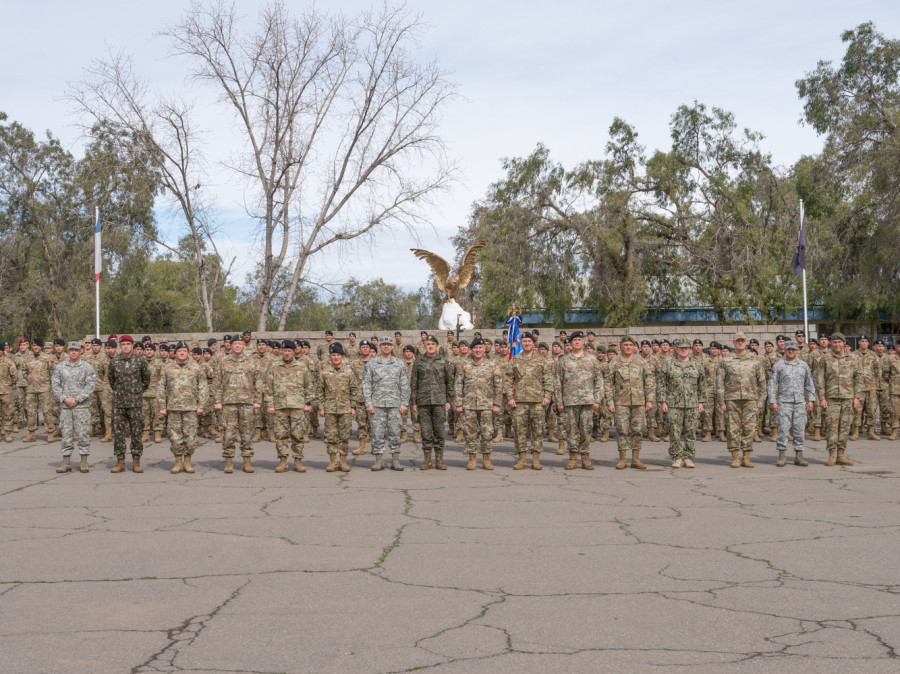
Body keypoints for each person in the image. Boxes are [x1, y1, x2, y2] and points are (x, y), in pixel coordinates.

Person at [213, 336, 262, 473]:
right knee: (228, 434)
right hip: (229, 403)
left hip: (247, 402)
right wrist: (217, 401)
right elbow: (217, 383)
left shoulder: (252, 362)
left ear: (243, 346)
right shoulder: (223, 362)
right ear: (231, 345)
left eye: (240, 344)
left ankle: (247, 461)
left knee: (246, 434)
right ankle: (229, 461)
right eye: (235, 344)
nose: (237, 346)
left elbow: (258, 382)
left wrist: (257, 400)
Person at [716, 332, 766, 468]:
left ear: (746, 342)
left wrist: (761, 399)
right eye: (737, 341)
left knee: (749, 429)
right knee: (732, 429)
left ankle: (746, 457)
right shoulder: (726, 360)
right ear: (733, 343)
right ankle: (735, 458)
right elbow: (719, 383)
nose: (740, 343)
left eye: (742, 341)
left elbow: (761, 381)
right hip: (732, 399)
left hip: (750, 399)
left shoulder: (754, 360)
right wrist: (721, 401)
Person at [158, 342, 208, 474]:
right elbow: (161, 387)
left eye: (184, 351)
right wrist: (162, 406)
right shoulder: (167, 368)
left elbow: (203, 387)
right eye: (179, 350)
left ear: (188, 353)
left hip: (190, 408)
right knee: (175, 436)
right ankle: (178, 462)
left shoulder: (196, 368)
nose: (181, 353)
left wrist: (201, 405)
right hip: (173, 408)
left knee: (190, 436)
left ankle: (188, 462)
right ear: (175, 352)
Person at [505, 332, 552, 470]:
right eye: (524, 341)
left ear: (533, 344)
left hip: (538, 401)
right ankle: (522, 459)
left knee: (537, 431)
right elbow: (507, 380)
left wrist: (547, 396)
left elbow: (548, 379)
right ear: (521, 343)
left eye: (529, 341)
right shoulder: (515, 360)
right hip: (519, 402)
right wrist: (509, 397)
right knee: (520, 431)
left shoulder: (541, 360)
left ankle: (536, 460)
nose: (526, 343)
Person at [607, 335, 655, 470]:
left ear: (634, 347)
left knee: (638, 430)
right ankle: (622, 458)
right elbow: (608, 383)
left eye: (630, 345)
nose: (628, 347)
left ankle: (635, 458)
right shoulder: (615, 362)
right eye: (625, 345)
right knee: (621, 430)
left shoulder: (640, 362)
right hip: (621, 402)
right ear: (621, 346)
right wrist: (610, 402)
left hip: (639, 402)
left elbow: (649, 381)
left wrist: (649, 399)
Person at [265, 340, 313, 473]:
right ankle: (283, 461)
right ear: (282, 351)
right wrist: (270, 404)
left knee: (298, 435)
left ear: (293, 352)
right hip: (280, 406)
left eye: (289, 351)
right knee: (281, 435)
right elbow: (268, 387)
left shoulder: (302, 366)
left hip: (297, 406)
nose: (287, 353)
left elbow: (309, 386)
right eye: (285, 351)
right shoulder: (274, 366)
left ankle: (298, 461)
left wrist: (308, 403)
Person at [363, 337, 410, 471]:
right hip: (377, 404)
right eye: (383, 344)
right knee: (377, 433)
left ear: (392, 347)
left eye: (388, 344)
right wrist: (368, 403)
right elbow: (366, 385)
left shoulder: (399, 363)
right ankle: (379, 460)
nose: (386, 347)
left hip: (395, 404)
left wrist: (404, 403)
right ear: (380, 347)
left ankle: (395, 460)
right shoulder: (372, 364)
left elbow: (405, 385)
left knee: (395, 433)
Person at [658, 338, 706, 468]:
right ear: (676, 349)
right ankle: (677, 457)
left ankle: (689, 457)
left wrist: (701, 401)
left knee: (691, 432)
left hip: (692, 404)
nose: (684, 350)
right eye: (681, 348)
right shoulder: (668, 364)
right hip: (674, 404)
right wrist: (662, 401)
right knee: (674, 432)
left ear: (690, 350)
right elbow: (661, 383)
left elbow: (702, 384)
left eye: (686, 348)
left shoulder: (697, 365)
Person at [50, 342, 97, 473]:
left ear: (81, 351)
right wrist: (65, 398)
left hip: (81, 407)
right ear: (68, 351)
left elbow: (91, 385)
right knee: (66, 434)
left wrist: (77, 399)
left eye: (76, 350)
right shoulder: (60, 367)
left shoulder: (87, 367)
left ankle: (83, 462)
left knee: (83, 434)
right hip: (66, 407)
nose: (74, 352)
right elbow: (55, 384)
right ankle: (66, 462)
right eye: (71, 350)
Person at [767, 340, 816, 467]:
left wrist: (810, 400)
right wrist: (773, 401)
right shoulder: (778, 365)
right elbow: (772, 384)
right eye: (788, 349)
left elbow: (809, 384)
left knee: (799, 430)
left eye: (793, 349)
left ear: (797, 351)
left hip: (799, 402)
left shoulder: (803, 365)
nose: (791, 351)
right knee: (783, 430)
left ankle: (799, 456)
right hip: (784, 403)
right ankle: (782, 456)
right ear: (785, 350)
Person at [455, 337, 501, 470]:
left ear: (484, 349)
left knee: (487, 433)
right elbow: (458, 384)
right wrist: (458, 403)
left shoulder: (492, 365)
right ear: (471, 349)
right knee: (470, 433)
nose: (478, 350)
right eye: (475, 348)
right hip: (469, 405)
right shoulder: (464, 364)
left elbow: (498, 386)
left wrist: (497, 404)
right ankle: (472, 459)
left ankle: (486, 460)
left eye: (480, 348)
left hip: (487, 405)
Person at [107, 335, 151, 473]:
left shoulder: (140, 361)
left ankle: (136, 462)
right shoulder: (115, 361)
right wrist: (121, 392)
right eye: (123, 344)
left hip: (135, 403)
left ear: (132, 346)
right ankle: (120, 462)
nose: (126, 346)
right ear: (120, 346)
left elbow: (146, 380)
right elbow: (111, 380)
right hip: (119, 404)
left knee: (136, 432)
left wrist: (136, 391)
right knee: (119, 434)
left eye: (128, 344)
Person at [410, 335, 453, 470]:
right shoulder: (418, 361)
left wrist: (449, 400)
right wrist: (414, 402)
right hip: (423, 402)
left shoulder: (443, 361)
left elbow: (449, 382)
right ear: (424, 346)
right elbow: (414, 382)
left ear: (437, 346)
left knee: (439, 431)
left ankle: (439, 461)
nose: (430, 346)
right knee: (426, 432)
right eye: (428, 344)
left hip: (439, 401)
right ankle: (427, 460)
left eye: (432, 344)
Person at [817, 332, 860, 466]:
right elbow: (819, 379)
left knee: (845, 427)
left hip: (848, 397)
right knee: (831, 426)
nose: (837, 344)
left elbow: (858, 378)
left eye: (839, 342)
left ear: (843, 343)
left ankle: (841, 454)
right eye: (834, 342)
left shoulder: (852, 358)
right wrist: (822, 398)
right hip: (831, 398)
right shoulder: (826, 358)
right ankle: (832, 454)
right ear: (831, 343)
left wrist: (857, 396)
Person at [317, 342, 359, 472]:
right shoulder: (324, 372)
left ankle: (343, 461)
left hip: (345, 409)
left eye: (338, 355)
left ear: (342, 356)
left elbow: (354, 390)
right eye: (333, 355)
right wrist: (321, 408)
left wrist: (353, 407)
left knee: (344, 436)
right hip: (329, 409)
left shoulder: (349, 372)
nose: (335, 357)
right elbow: (319, 391)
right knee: (331, 436)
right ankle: (333, 462)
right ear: (330, 357)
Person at [22, 338, 59, 442]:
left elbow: (53, 372)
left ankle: (50, 433)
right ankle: (31, 433)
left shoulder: (48, 358)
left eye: (37, 345)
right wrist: (29, 379)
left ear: (41, 347)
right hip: (31, 389)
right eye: (34, 345)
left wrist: (47, 381)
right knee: (30, 411)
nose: (36, 347)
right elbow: (24, 370)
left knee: (47, 411)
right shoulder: (28, 358)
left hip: (44, 388)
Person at [350, 340, 374, 456]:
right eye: (362, 347)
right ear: (359, 349)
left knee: (374, 424)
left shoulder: (376, 363)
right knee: (361, 423)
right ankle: (362, 446)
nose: (364, 349)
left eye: (366, 347)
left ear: (370, 349)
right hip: (359, 399)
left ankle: (376, 447)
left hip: (373, 399)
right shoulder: (354, 364)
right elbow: (350, 381)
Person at [0, 346, 16, 442]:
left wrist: (9, 385)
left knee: (8, 413)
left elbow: (14, 376)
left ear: (2, 351)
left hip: (6, 391)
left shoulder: (9, 362)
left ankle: (8, 433)